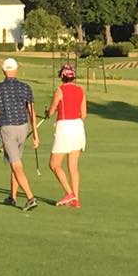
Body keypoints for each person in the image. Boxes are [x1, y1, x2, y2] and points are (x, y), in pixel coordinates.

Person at [0, 57, 39, 211]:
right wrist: (36, 135)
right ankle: (12, 197)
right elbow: (32, 112)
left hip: (7, 128)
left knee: (16, 165)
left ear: (4, 71)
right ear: (16, 70)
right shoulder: (26, 87)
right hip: (23, 128)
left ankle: (30, 198)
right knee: (15, 161)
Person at [46, 63, 86, 208]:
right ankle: (76, 200)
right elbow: (84, 114)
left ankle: (70, 193)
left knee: (54, 164)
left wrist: (47, 112)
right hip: (78, 127)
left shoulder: (60, 90)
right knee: (73, 167)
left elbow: (51, 111)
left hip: (65, 127)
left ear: (62, 76)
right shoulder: (81, 90)